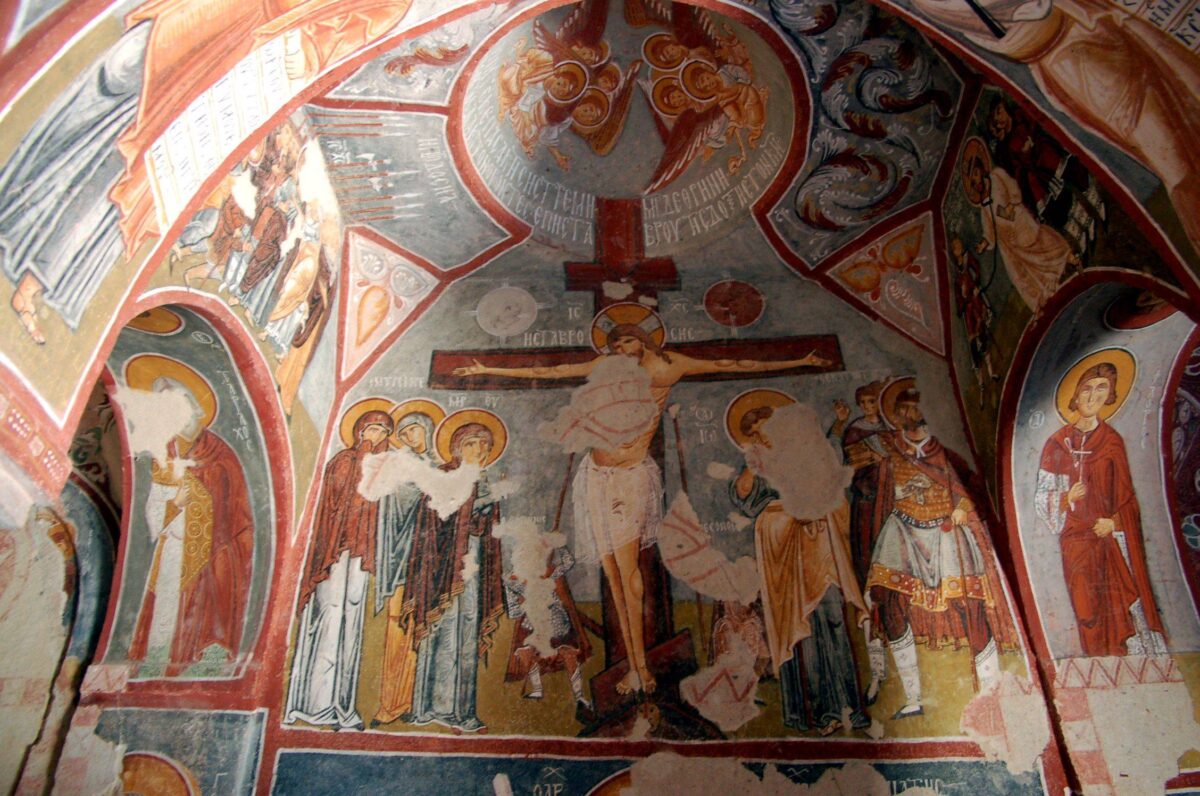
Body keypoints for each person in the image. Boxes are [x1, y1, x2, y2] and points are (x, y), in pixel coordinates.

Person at [453, 309, 829, 695]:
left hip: (631, 477)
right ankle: (635, 666)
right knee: (613, 574)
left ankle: (641, 669)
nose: (622, 350)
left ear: (645, 340)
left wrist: (799, 361)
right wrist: (487, 368)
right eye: (616, 345)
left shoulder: (668, 367)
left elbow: (730, 363)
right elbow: (554, 370)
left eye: (628, 342)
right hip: (595, 476)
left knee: (629, 573)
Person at [865, 381, 1013, 718]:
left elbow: (973, 484)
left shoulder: (945, 450)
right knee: (887, 598)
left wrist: (962, 504)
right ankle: (912, 698)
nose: (907, 415)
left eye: (912, 408)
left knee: (968, 603)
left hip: (945, 531)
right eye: (901, 410)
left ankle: (992, 690)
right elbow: (867, 480)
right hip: (902, 528)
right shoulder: (888, 449)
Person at [730, 401, 870, 735]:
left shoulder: (803, 451)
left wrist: (838, 426)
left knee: (833, 616)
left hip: (818, 543)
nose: (764, 435)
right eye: (755, 433)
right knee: (799, 624)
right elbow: (744, 497)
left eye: (767, 426)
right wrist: (752, 466)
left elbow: (830, 467)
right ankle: (819, 712)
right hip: (783, 549)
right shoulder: (757, 462)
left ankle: (849, 706)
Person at [1035, 361, 1167, 656]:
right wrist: (1066, 497)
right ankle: (1098, 662)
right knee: (1086, 607)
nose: (1093, 396)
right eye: (1087, 389)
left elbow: (1127, 499)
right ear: (1075, 395)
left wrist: (1114, 523)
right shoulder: (1057, 444)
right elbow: (1042, 497)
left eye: (1101, 389)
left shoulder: (1112, 442)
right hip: (1075, 540)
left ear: (1110, 396)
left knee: (1118, 604)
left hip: (1108, 538)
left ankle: (1127, 662)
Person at [128, 376, 254, 677]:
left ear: (196, 408)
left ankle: (201, 657)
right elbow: (152, 507)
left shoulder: (219, 452)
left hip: (214, 543)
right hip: (173, 541)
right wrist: (175, 504)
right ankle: (157, 661)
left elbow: (235, 502)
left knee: (210, 598)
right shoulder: (164, 451)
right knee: (166, 602)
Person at [285, 406, 393, 730]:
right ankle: (315, 704)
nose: (376, 436)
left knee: (352, 623)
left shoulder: (384, 468)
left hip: (360, 555)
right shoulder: (343, 461)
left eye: (383, 432)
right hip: (335, 553)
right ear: (359, 431)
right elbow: (335, 503)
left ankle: (343, 705)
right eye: (372, 429)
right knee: (329, 618)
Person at [402, 419, 507, 733]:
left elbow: (486, 530)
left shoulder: (482, 480)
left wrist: (486, 504)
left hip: (472, 566)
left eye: (484, 445)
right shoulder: (444, 476)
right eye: (472, 444)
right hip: (442, 571)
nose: (479, 451)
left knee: (467, 630)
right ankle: (430, 708)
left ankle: (461, 711)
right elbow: (438, 518)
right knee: (443, 630)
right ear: (458, 448)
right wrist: (482, 501)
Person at [368, 407, 440, 727]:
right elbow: (397, 503)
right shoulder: (401, 465)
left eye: (416, 430)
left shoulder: (434, 466)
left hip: (429, 566)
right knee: (399, 630)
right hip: (405, 564)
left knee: (422, 632)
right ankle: (390, 704)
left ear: (428, 431)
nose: (411, 437)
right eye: (406, 433)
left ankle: (416, 702)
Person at [827, 382, 888, 585]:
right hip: (867, 492)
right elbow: (841, 460)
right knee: (869, 537)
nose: (867, 406)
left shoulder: (890, 426)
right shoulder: (855, 430)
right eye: (862, 403)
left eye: (871, 401)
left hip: (892, 491)